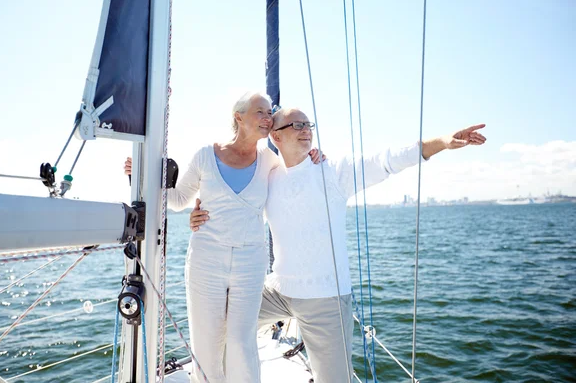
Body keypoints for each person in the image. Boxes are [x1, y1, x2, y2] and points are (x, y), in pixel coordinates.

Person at [190, 107, 486, 383]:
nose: (307, 130)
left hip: (325, 299)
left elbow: (388, 160)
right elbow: (234, 200)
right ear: (276, 136)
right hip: (278, 290)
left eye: (309, 125)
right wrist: (198, 213)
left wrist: (443, 142)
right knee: (222, 323)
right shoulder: (267, 176)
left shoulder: (333, 172)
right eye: (297, 125)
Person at [124, 94, 324, 383]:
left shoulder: (270, 160)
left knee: (241, 345)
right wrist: (142, 177)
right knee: (206, 344)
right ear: (239, 117)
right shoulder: (206, 155)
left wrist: (314, 156)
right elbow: (179, 199)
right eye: (260, 112)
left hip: (250, 263)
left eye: (270, 112)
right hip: (206, 261)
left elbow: (296, 177)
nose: (268, 117)